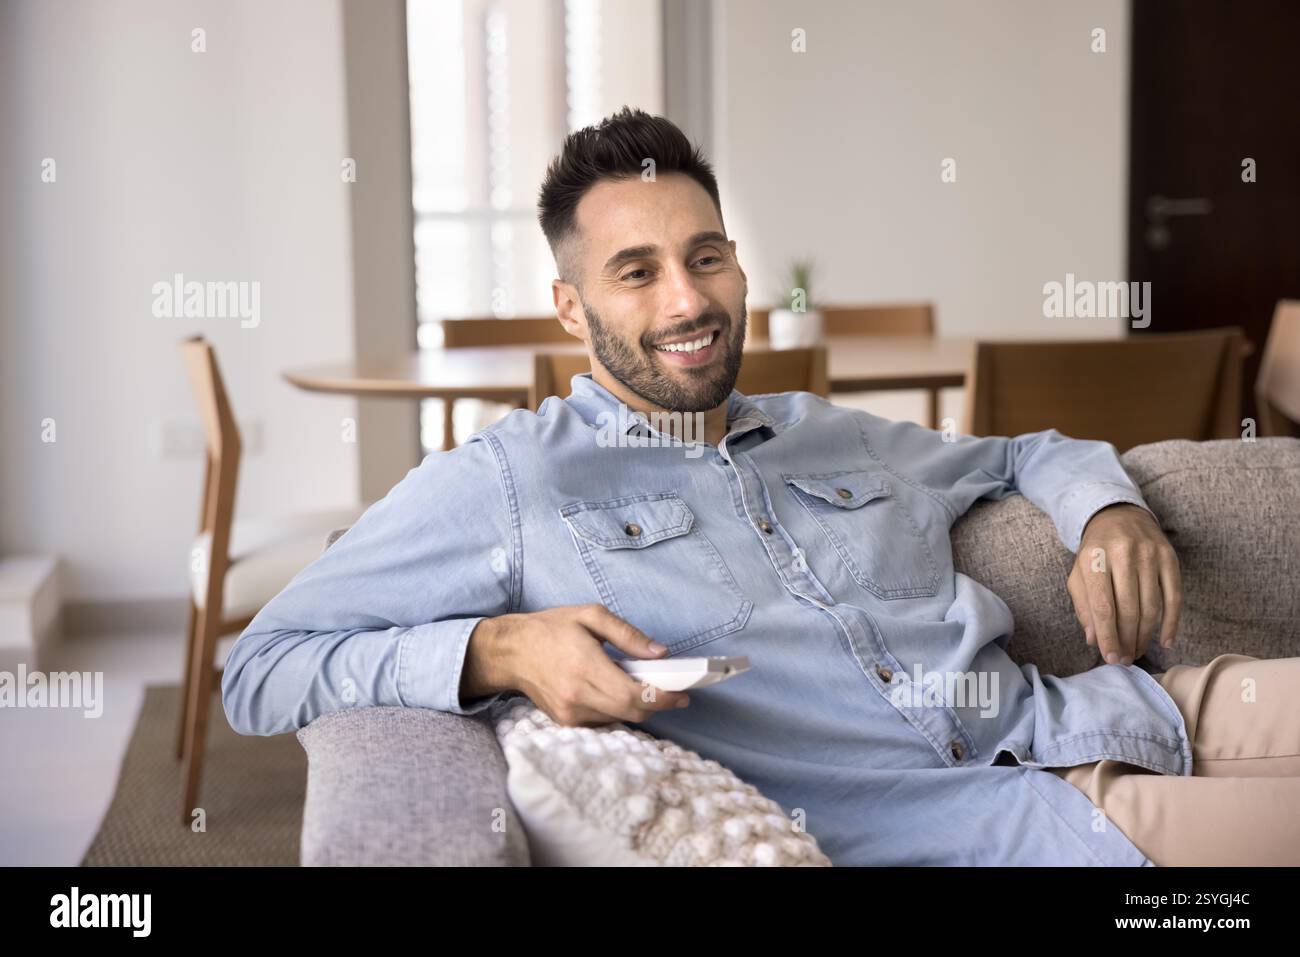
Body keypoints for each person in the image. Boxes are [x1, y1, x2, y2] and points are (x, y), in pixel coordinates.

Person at [223, 107, 1300, 866]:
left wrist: (1108, 508)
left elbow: (1028, 451)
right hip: (1019, 824)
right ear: (569, 307)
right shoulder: (506, 484)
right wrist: (494, 648)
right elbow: (260, 668)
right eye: (636, 271)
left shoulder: (824, 433)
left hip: (1125, 709)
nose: (689, 300)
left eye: (709, 256)